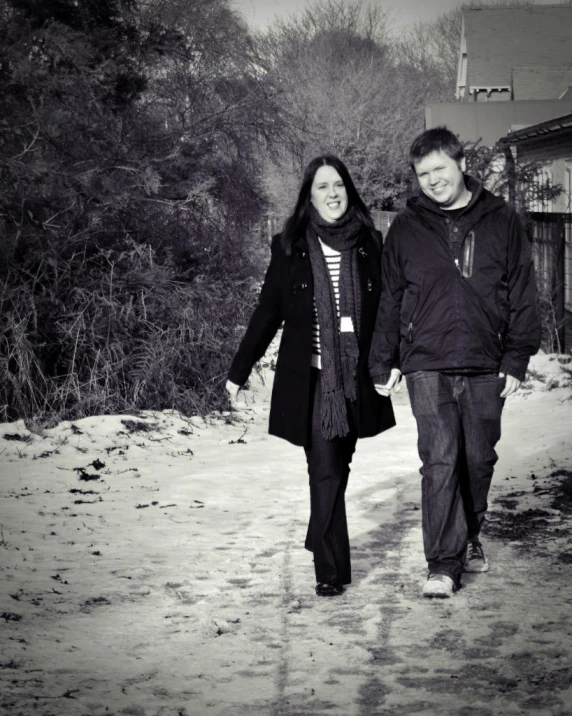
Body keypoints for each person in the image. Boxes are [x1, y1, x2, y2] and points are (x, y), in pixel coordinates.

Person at [369, 127, 541, 598]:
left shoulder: (502, 221)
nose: (432, 180)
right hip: (427, 360)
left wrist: (516, 356)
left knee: (478, 459)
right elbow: (390, 297)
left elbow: (524, 291)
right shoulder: (405, 228)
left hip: (487, 360)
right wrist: (383, 359)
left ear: (461, 164)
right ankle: (442, 565)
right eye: (423, 174)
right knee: (439, 458)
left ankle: (469, 536)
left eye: (440, 169)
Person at [226, 155, 395, 597]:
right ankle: (329, 569)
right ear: (309, 196)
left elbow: (389, 312)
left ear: (349, 190)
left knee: (339, 467)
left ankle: (318, 536)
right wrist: (239, 370)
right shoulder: (290, 246)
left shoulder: (370, 243)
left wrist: (391, 361)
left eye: (338, 184)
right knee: (323, 468)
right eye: (322, 186)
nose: (332, 193)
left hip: (357, 378)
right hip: (315, 380)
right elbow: (269, 312)